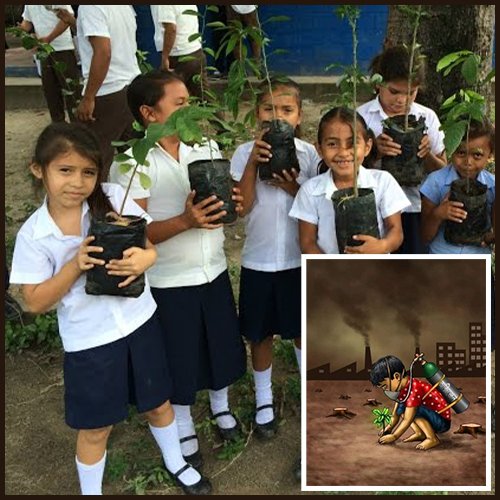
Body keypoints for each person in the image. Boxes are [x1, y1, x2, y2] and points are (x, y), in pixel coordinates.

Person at [9, 122, 211, 496]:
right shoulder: (35, 236)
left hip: (139, 322)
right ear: (38, 169)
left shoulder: (113, 197)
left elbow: (148, 244)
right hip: (90, 342)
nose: (77, 182)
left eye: (88, 172)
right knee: (96, 427)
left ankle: (176, 462)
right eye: (65, 170)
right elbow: (34, 300)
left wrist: (145, 260)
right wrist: (75, 265)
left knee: (158, 402)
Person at [109, 70, 247, 469]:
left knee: (219, 343)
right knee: (180, 354)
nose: (192, 109)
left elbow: (224, 204)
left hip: (212, 269)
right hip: (169, 279)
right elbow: (134, 232)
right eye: (180, 103)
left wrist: (232, 202)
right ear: (149, 113)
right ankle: (184, 422)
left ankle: (221, 406)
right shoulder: (132, 163)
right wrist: (186, 221)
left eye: (191, 100)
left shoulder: (205, 146)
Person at [230, 76, 319, 478]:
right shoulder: (242, 153)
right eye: (268, 108)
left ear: (298, 117)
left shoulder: (309, 154)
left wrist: (291, 185)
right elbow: (242, 207)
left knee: (301, 331)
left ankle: (310, 393)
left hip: (298, 262)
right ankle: (263, 398)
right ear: (256, 114)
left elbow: (316, 205)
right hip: (258, 261)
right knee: (260, 333)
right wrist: (253, 162)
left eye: (286, 109)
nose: (276, 115)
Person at [357, 45, 447, 254]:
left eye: (410, 93)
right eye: (394, 91)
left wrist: (427, 154)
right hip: (375, 209)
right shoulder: (361, 118)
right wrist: (374, 151)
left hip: (414, 207)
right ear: (378, 84)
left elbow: (444, 171)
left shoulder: (427, 118)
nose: (402, 100)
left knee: (412, 267)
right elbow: (346, 169)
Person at [289, 107, 410, 254]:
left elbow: (396, 231)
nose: (343, 153)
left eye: (352, 143)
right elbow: (308, 243)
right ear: (319, 149)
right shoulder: (310, 190)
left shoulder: (383, 182)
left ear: (367, 147)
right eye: (332, 144)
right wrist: (331, 267)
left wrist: (382, 246)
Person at [73, 5, 141, 178]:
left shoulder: (90, 7)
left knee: (93, 158)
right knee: (133, 156)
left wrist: (89, 97)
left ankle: (96, 195)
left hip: (107, 91)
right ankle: (135, 193)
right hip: (130, 85)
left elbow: (103, 52)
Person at [420, 116, 495, 254]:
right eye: (461, 153)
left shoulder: (493, 187)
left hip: (477, 260)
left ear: (490, 155)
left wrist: (489, 238)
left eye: (477, 155)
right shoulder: (436, 182)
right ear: (451, 149)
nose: (468, 162)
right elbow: (424, 236)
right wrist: (438, 214)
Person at [370, 355, 451, 450]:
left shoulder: (414, 389)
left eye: (385, 386)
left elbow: (408, 419)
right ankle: (420, 433)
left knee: (413, 411)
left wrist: (394, 436)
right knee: (403, 410)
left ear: (397, 376)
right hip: (430, 417)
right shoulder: (403, 390)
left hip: (441, 421)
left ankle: (432, 438)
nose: (385, 390)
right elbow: (396, 414)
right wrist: (389, 428)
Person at [18, 5, 81, 122]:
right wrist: (21, 30)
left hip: (62, 48)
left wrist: (49, 38)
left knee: (71, 88)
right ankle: (58, 123)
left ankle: (77, 124)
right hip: (44, 50)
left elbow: (67, 18)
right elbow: (27, 22)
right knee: (50, 90)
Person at [150, 5, 209, 102]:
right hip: (195, 51)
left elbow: (171, 29)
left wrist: (165, 57)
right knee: (204, 97)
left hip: (178, 56)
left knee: (173, 99)